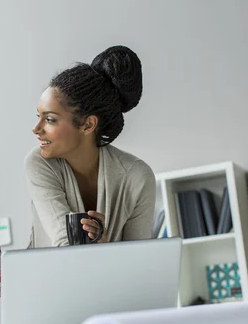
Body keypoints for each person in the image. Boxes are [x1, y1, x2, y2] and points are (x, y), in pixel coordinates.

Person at [25, 46, 156, 247]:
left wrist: (104, 248)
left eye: (50, 119)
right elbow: (64, 240)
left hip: (115, 279)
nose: (36, 129)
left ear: (88, 125)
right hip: (49, 277)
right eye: (39, 117)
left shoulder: (137, 177)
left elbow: (139, 262)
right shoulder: (39, 163)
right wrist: (99, 249)